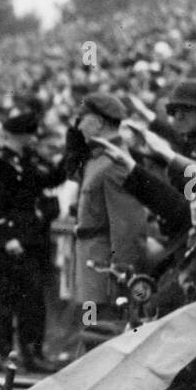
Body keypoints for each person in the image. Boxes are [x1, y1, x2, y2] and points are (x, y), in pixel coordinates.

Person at [0, 103, 65, 371]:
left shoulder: (31, 162)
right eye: (30, 135)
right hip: (8, 243)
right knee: (7, 300)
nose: (34, 140)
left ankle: (33, 353)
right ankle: (4, 355)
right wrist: (8, 238)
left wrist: (72, 154)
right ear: (20, 136)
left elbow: (51, 180)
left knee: (34, 299)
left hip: (32, 240)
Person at [72, 93, 147, 319]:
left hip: (103, 269)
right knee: (90, 325)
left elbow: (127, 227)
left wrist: (121, 276)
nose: (79, 126)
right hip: (92, 262)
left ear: (99, 122)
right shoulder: (99, 159)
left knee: (99, 330)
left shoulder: (113, 163)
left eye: (83, 119)